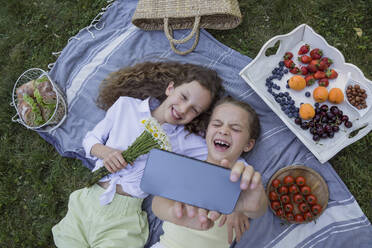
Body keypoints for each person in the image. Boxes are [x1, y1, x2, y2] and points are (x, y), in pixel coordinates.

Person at [52, 61, 224, 247]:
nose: (183, 109)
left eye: (194, 110)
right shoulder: (126, 106)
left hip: (123, 217)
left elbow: (223, 158)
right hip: (87, 199)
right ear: (170, 88)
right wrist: (105, 152)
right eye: (183, 97)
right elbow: (90, 139)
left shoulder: (184, 140)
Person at [151, 96, 268, 248]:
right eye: (217, 124)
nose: (224, 131)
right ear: (206, 133)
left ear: (248, 145)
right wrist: (174, 214)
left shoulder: (245, 180)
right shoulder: (187, 167)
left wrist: (243, 208)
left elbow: (258, 208)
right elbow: (158, 203)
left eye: (235, 129)